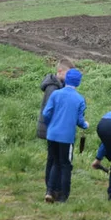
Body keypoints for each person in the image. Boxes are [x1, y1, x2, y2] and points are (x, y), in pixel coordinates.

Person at [41, 68, 88, 202]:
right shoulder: (79, 99)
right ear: (78, 82)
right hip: (66, 138)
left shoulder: (55, 94)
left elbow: (46, 113)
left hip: (52, 134)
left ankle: (50, 191)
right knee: (66, 164)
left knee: (55, 161)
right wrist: (85, 125)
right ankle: (63, 196)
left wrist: (51, 125)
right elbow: (80, 121)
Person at [38, 58, 73, 188]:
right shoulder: (52, 87)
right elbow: (49, 110)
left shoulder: (59, 85)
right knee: (52, 158)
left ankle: (52, 186)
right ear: (60, 71)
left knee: (54, 158)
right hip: (51, 127)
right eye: (68, 73)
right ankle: (50, 187)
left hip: (54, 127)